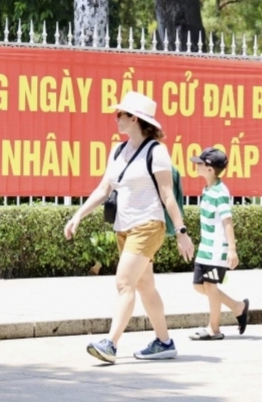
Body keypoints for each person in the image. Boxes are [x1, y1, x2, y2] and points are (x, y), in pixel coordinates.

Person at [64, 91, 195, 364]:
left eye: (120, 114)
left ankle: (110, 345)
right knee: (145, 285)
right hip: (123, 228)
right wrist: (78, 215)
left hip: (148, 225)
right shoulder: (118, 150)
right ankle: (164, 342)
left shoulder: (156, 151)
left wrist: (182, 233)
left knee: (124, 283)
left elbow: (168, 195)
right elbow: (103, 189)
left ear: (134, 118)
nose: (116, 118)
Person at [187, 147, 250, 341]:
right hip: (205, 249)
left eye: (200, 163)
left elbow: (227, 221)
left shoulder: (220, 192)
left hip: (216, 250)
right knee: (199, 286)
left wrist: (231, 249)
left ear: (210, 169)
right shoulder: (208, 189)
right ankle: (237, 306)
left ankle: (214, 328)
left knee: (209, 285)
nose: (196, 165)